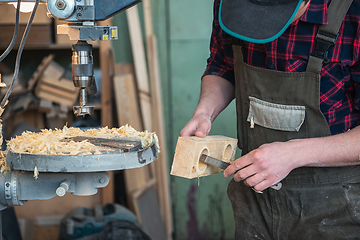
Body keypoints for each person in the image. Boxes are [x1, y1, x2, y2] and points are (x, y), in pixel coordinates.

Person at [180, 0, 360, 239]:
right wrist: (205, 112)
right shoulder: (230, 6)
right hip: (254, 199)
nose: (259, 23)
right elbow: (223, 65)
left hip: (336, 203)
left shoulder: (353, 12)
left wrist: (292, 154)